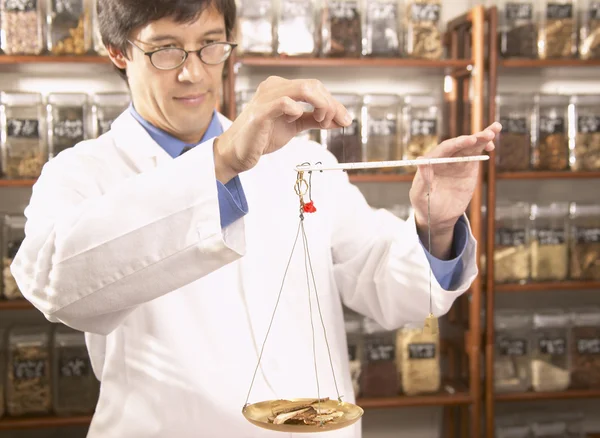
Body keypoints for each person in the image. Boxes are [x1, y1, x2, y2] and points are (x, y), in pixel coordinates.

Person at [11, 0, 501, 436]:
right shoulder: (80, 172)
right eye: (166, 50)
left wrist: (434, 221)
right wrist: (221, 160)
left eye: (209, 47)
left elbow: (390, 285)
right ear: (118, 51)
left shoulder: (300, 162)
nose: (194, 74)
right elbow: (57, 285)